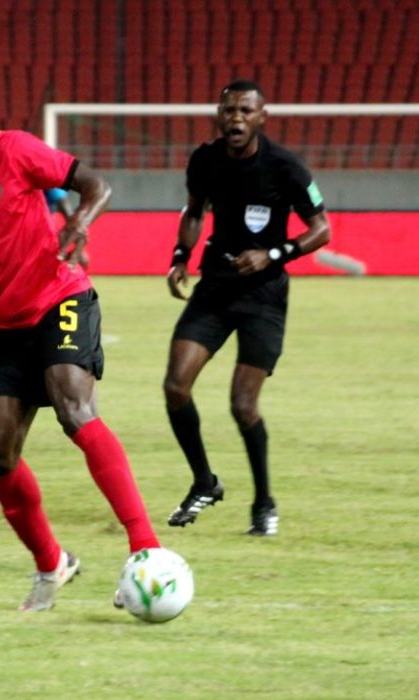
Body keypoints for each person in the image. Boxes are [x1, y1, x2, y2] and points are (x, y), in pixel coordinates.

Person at [0, 92, 161, 612]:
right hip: (7, 326)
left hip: (62, 296)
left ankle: (146, 548)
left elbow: (96, 184)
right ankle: (51, 563)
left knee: (74, 409)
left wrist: (80, 221)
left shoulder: (13, 151)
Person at [163, 80, 331, 536]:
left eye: (245, 110)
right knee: (176, 386)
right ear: (220, 115)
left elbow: (322, 229)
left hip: (264, 297)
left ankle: (263, 501)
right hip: (216, 288)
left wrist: (273, 254)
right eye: (229, 110)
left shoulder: (285, 167)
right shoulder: (205, 160)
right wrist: (180, 256)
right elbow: (194, 211)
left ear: (262, 117)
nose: (236, 118)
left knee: (242, 406)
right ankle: (204, 482)